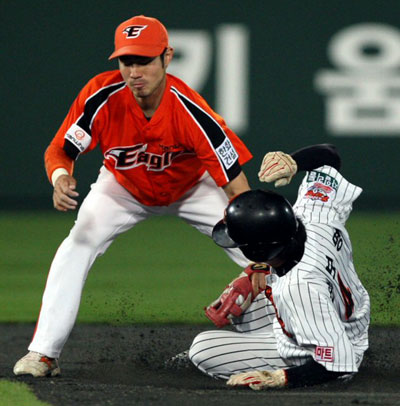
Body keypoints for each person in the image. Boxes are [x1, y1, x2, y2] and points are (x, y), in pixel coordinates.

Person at [13, 15, 253, 377]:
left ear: (167, 57)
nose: (135, 71)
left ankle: (300, 337)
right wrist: (60, 177)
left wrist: (257, 250)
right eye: (127, 61)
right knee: (77, 244)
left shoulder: (192, 111)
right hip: (122, 187)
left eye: (144, 60)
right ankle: (43, 353)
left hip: (192, 189)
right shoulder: (101, 94)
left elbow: (236, 185)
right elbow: (60, 150)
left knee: (259, 248)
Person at [187, 144, 370, 389]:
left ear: (257, 250)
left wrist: (280, 378)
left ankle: (294, 357)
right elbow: (328, 158)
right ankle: (272, 342)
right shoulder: (314, 213)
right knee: (242, 311)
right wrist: (293, 163)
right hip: (341, 308)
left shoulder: (299, 289)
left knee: (203, 349)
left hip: (338, 342)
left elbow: (339, 363)